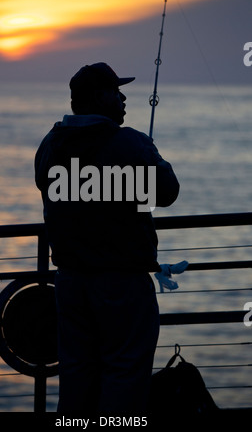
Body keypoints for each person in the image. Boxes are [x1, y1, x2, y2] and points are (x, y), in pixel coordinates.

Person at [34, 62, 179, 414]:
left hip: (69, 283)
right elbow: (167, 192)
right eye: (116, 91)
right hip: (122, 284)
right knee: (125, 374)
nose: (123, 97)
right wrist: (150, 156)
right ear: (100, 97)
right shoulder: (130, 143)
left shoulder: (50, 146)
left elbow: (53, 189)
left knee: (77, 373)